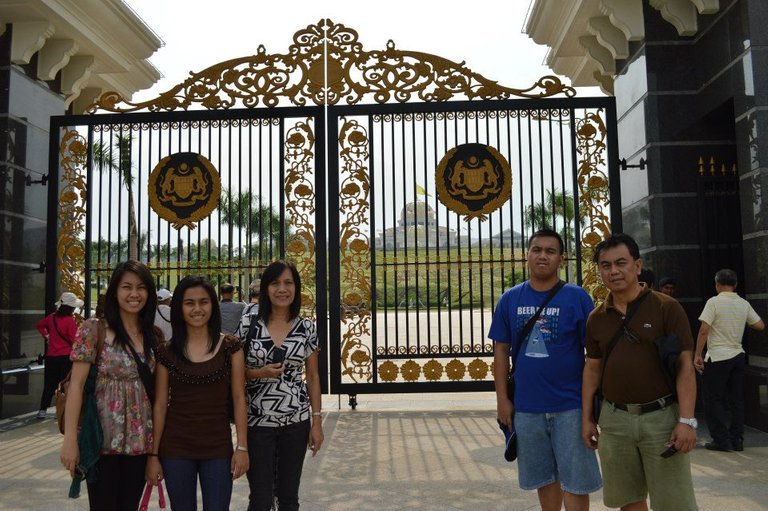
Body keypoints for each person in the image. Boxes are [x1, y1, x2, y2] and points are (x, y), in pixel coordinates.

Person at [582, 233, 697, 511]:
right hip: (615, 421)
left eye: (621, 263)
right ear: (599, 271)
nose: (614, 271)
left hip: (661, 419)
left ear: (637, 265)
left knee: (674, 503)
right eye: (606, 265)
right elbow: (592, 371)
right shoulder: (596, 318)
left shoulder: (666, 307)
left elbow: (685, 367)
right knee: (629, 500)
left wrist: (687, 420)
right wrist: (586, 419)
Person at [489, 229, 601, 511]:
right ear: (527, 255)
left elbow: (594, 356)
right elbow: (500, 351)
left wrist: (590, 408)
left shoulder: (577, 298)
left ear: (561, 259)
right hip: (527, 408)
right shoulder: (510, 299)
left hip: (570, 406)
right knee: (545, 479)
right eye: (537, 249)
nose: (543, 256)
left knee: (575, 481)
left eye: (550, 251)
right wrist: (503, 400)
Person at [60, 260, 159, 510]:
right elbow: (76, 386)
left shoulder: (154, 335)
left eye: (141, 287)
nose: (134, 294)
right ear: (115, 291)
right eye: (127, 287)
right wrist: (70, 440)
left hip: (139, 444)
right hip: (101, 442)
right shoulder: (94, 329)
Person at [145, 276, 249, 511]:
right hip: (176, 449)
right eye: (189, 303)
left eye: (203, 302)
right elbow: (160, 404)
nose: (197, 309)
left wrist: (242, 447)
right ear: (179, 307)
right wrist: (153, 455)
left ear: (213, 304)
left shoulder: (231, 347)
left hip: (218, 448)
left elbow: (239, 397)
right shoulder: (166, 352)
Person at [243, 260, 323, 511]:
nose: (282, 289)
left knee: (289, 497)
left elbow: (312, 377)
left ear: (297, 289)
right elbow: (233, 372)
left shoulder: (306, 327)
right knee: (261, 498)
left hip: (295, 422)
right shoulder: (249, 323)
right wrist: (258, 373)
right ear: (266, 288)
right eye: (275, 283)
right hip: (257, 422)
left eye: (288, 283)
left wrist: (317, 422)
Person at [694, 269, 764, 452]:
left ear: (717, 284)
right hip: (737, 356)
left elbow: (704, 330)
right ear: (735, 285)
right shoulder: (743, 304)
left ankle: (721, 440)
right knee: (736, 400)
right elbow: (759, 325)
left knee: (713, 399)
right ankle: (737, 439)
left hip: (717, 357)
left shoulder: (714, 302)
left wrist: (697, 354)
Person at [36, 292, 83, 419]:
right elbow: (74, 340)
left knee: (49, 384)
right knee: (65, 384)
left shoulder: (51, 318)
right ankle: (62, 410)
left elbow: (40, 325)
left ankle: (42, 410)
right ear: (71, 308)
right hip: (65, 357)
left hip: (51, 356)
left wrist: (47, 336)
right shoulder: (70, 321)